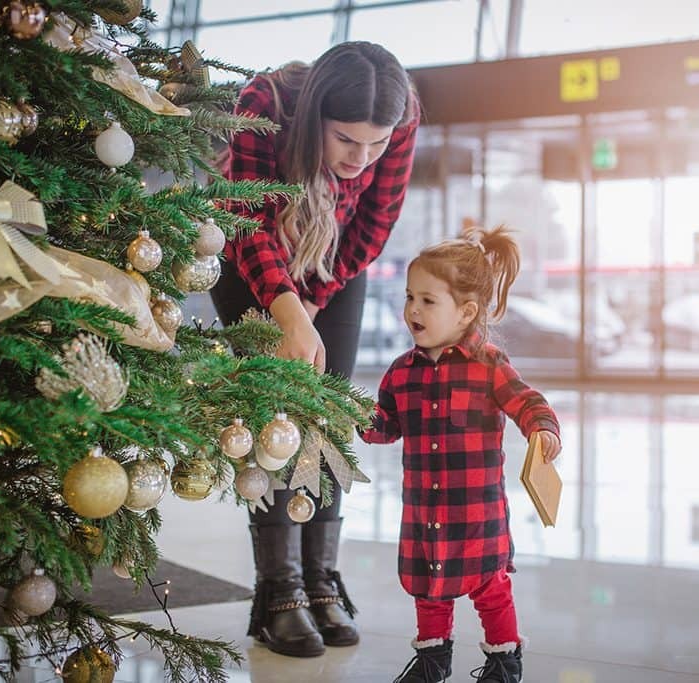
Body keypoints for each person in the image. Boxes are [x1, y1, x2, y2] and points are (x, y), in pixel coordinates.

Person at [210, 41, 419, 658]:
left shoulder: (400, 115)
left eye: (376, 145)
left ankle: (321, 580)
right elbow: (246, 222)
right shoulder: (264, 103)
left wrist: (315, 301)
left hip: (333, 260)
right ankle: (280, 590)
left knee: (327, 414)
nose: (363, 158)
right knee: (276, 415)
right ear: (315, 119)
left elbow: (375, 225)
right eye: (346, 141)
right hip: (249, 256)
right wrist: (286, 309)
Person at [359, 225, 563, 683]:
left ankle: (504, 663)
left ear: (466, 311)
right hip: (424, 512)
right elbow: (384, 426)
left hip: (476, 514)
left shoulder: (489, 366)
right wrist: (346, 415)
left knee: (490, 588)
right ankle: (433, 661)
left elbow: (529, 402)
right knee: (429, 590)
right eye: (410, 296)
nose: (413, 308)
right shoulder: (400, 373)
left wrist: (543, 430)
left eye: (428, 301)